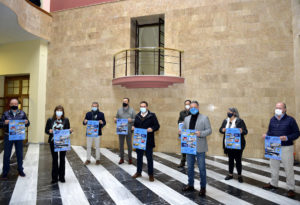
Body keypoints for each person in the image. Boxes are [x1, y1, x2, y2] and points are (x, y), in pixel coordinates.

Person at [262, 102, 299, 197]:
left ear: (285, 109)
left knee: (288, 168)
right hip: (273, 146)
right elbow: (270, 131)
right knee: (273, 167)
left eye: (280, 108)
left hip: (286, 147)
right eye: (276, 107)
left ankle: (291, 188)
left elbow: (296, 133)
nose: (277, 109)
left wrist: (286, 137)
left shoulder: (290, 120)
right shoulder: (272, 119)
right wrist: (266, 135)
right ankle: (273, 184)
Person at [180, 101, 212, 196]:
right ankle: (190, 185)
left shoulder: (204, 118)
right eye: (191, 107)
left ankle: (203, 187)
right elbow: (184, 130)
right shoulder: (186, 118)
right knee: (190, 168)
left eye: (195, 107)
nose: (193, 109)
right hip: (189, 147)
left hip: (200, 147)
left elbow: (209, 130)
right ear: (189, 108)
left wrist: (201, 133)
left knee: (202, 168)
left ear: (198, 107)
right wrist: (181, 132)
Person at [0, 98, 30, 179]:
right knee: (6, 155)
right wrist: (4, 123)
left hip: (18, 136)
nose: (14, 105)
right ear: (10, 105)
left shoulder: (22, 113)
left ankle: (20, 170)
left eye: (15, 104)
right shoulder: (5, 114)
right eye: (12, 104)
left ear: (18, 105)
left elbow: (28, 123)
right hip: (8, 136)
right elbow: (0, 124)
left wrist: (27, 122)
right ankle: (5, 172)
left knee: (19, 154)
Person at [132, 101, 160, 182]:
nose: (142, 107)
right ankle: (138, 172)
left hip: (149, 140)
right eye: (141, 106)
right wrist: (133, 127)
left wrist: (152, 129)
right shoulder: (137, 116)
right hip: (139, 140)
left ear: (147, 107)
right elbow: (135, 125)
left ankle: (151, 174)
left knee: (149, 158)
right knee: (139, 157)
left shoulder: (152, 115)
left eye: (144, 106)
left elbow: (157, 126)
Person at [219, 107, 248, 183]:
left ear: (234, 113)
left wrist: (242, 131)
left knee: (238, 160)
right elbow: (220, 129)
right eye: (227, 112)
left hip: (237, 144)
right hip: (228, 144)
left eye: (229, 112)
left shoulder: (240, 121)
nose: (228, 113)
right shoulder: (225, 121)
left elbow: (245, 131)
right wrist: (222, 130)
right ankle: (230, 174)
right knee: (230, 160)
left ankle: (239, 175)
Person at [45, 105, 72, 184]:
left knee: (62, 159)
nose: (59, 112)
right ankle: (54, 177)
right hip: (53, 141)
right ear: (55, 111)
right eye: (58, 110)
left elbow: (67, 130)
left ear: (63, 112)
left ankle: (62, 177)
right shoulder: (50, 120)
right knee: (55, 159)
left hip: (63, 141)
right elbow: (46, 130)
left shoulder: (66, 120)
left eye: (61, 110)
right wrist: (49, 131)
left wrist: (70, 130)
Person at [114, 98, 135, 164]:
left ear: (128, 102)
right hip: (121, 129)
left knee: (129, 145)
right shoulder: (119, 110)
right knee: (121, 144)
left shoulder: (132, 110)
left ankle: (130, 158)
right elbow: (116, 118)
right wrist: (115, 119)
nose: (124, 102)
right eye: (123, 101)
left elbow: (135, 119)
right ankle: (121, 158)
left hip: (129, 129)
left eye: (125, 101)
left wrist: (131, 120)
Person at [177, 100, 191, 168]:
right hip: (184, 133)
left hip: (191, 133)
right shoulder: (182, 112)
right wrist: (181, 121)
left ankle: (191, 163)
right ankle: (182, 162)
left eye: (188, 104)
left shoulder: (193, 112)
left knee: (191, 148)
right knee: (184, 148)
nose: (187, 105)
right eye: (186, 104)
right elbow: (178, 121)